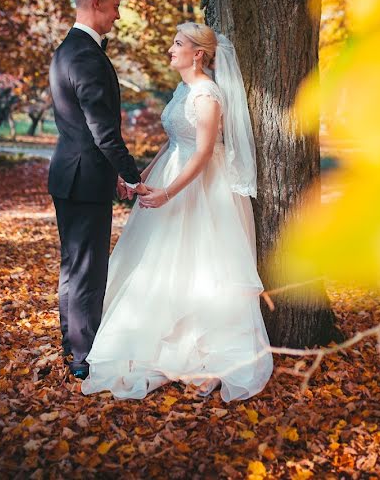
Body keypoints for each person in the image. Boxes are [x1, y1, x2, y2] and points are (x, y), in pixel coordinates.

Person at [81, 22, 273, 401]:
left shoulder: (206, 95)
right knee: (161, 262)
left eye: (177, 43)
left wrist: (168, 192)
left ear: (197, 53)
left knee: (199, 264)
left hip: (202, 188)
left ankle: (198, 353)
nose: (170, 49)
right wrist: (138, 178)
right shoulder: (183, 89)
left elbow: (202, 153)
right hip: (173, 173)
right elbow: (173, 143)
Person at [48, 0, 150, 380]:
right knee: (87, 270)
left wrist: (115, 177)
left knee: (73, 266)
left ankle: (71, 343)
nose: (118, 16)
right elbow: (102, 131)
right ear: (95, 3)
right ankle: (83, 356)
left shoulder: (66, 50)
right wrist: (130, 174)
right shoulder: (87, 56)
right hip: (84, 178)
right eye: (114, 7)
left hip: (71, 175)